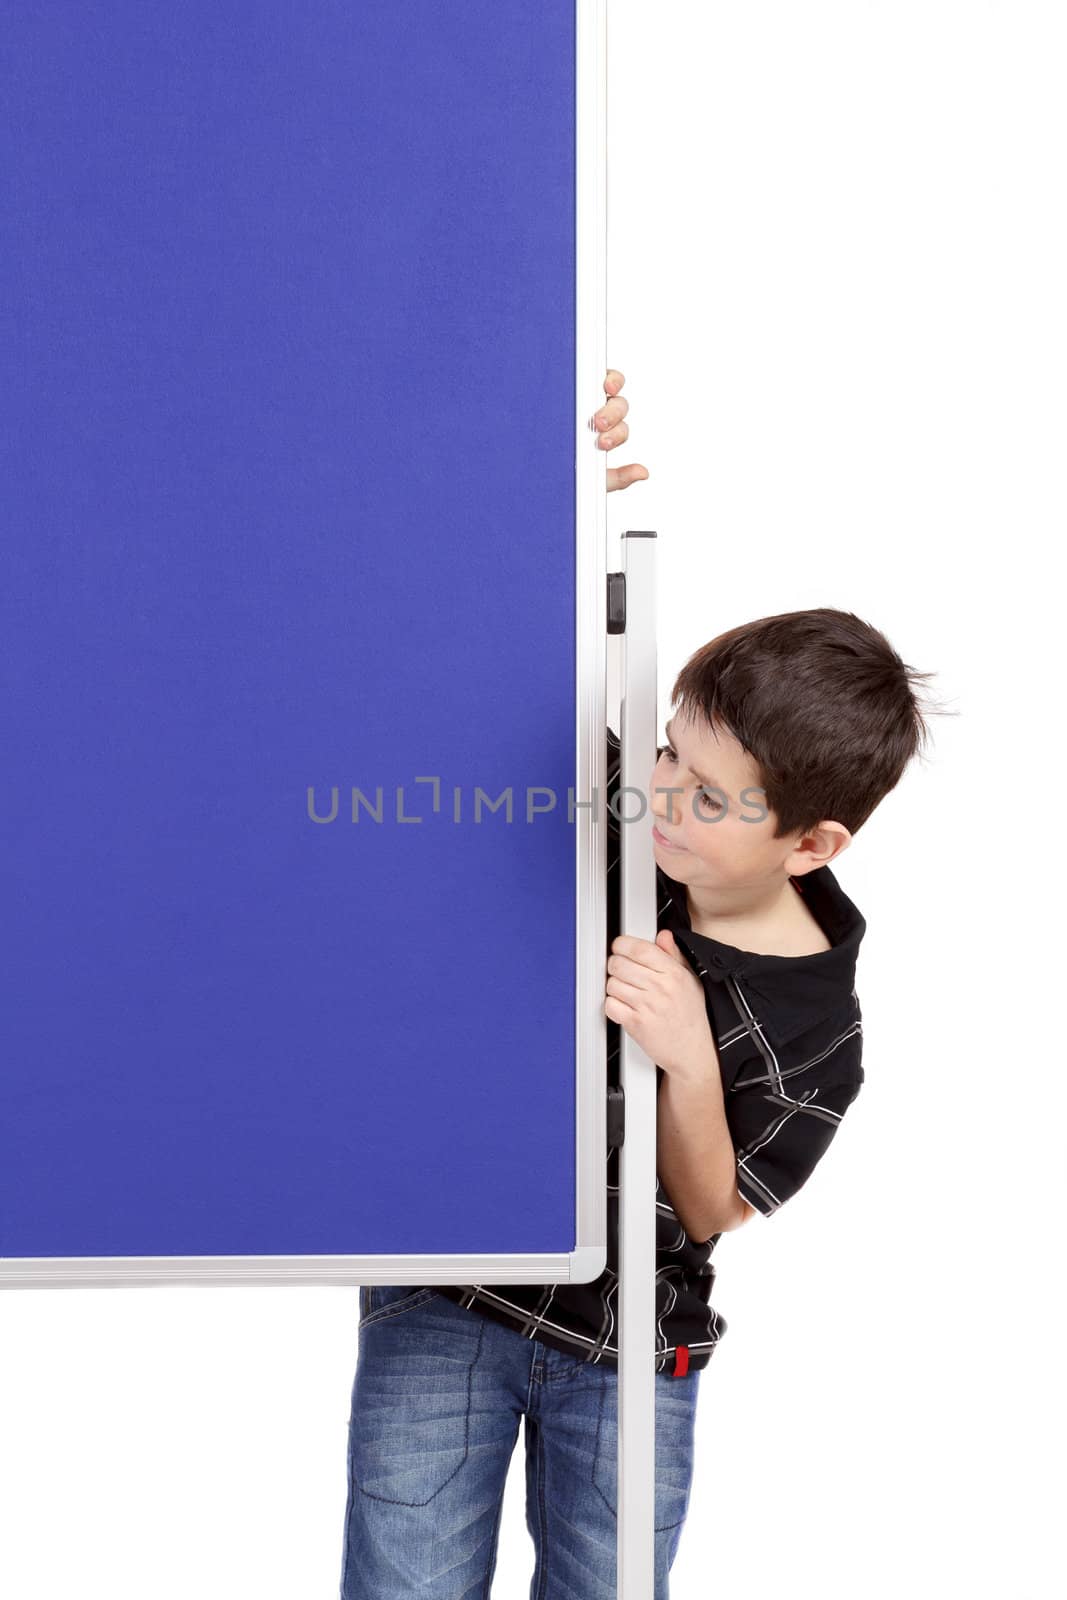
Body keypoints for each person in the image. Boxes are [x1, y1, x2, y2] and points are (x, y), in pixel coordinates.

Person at [338, 371, 937, 1599]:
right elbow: (488, 641)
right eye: (668, 749)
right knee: (400, 1578)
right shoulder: (621, 832)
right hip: (450, 1290)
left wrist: (688, 1057)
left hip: (630, 1346)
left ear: (809, 844)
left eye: (709, 798)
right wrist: (541, 488)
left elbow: (713, 1207)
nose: (660, 794)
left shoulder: (819, 1019)